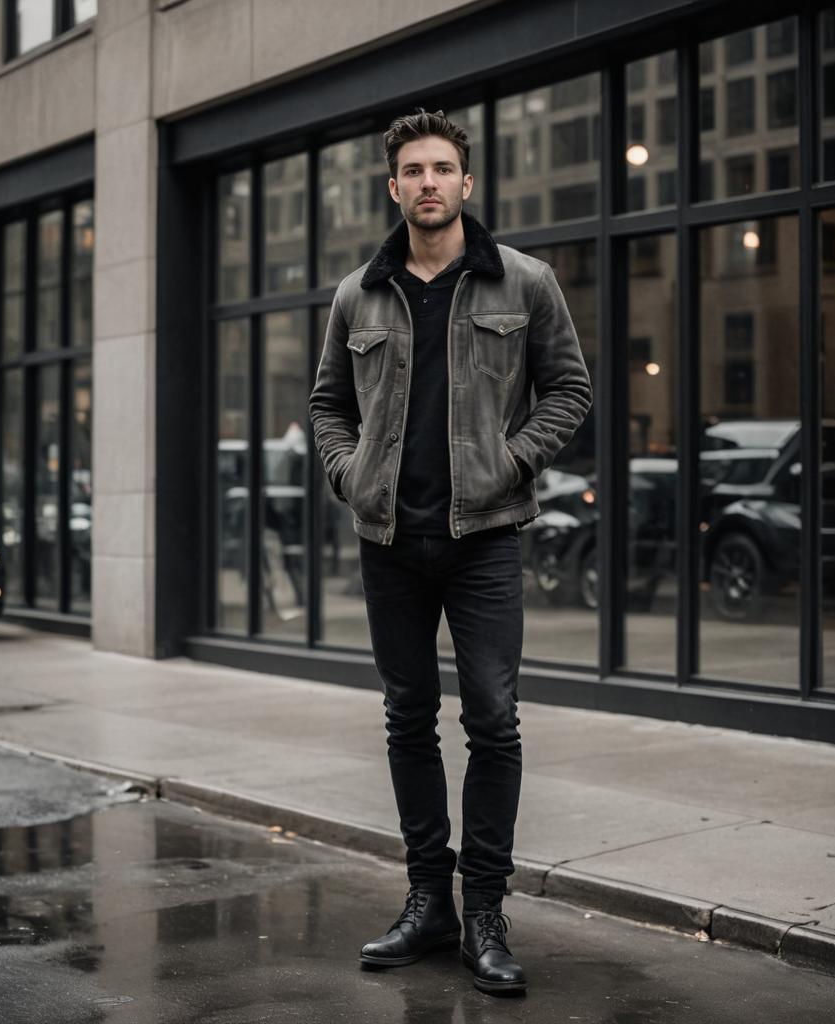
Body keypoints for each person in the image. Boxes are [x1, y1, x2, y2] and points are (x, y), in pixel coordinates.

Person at [308, 109, 592, 995]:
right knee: (405, 716)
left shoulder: (525, 282)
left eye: (443, 169)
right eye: (413, 171)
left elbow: (570, 389)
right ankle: (427, 900)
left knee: (494, 721)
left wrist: (511, 460)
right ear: (394, 188)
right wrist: (351, 475)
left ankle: (484, 913)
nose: (429, 182)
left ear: (467, 183)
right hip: (389, 539)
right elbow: (327, 405)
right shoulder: (359, 292)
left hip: (486, 540)